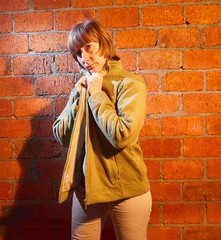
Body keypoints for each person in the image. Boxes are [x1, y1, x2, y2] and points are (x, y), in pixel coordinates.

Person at [53, 19, 151, 240]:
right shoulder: (83, 87)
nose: (84, 58)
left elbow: (121, 136)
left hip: (126, 188)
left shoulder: (130, 84)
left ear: (103, 43)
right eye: (78, 53)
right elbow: (61, 135)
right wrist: (77, 97)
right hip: (86, 187)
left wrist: (97, 95)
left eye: (88, 47)